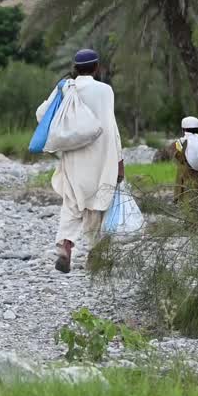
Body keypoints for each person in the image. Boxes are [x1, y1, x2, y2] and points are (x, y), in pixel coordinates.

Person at [36, 49, 124, 273]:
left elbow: (42, 114)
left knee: (72, 201)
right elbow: (111, 127)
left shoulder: (66, 87)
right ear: (96, 67)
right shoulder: (105, 91)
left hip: (74, 155)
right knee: (98, 204)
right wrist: (120, 161)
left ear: (75, 67)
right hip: (102, 156)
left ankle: (65, 248)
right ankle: (95, 254)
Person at [173, 116, 198, 205]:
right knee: (194, 205)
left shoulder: (181, 142)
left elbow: (178, 157)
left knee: (186, 206)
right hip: (196, 180)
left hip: (184, 180)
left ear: (184, 129)